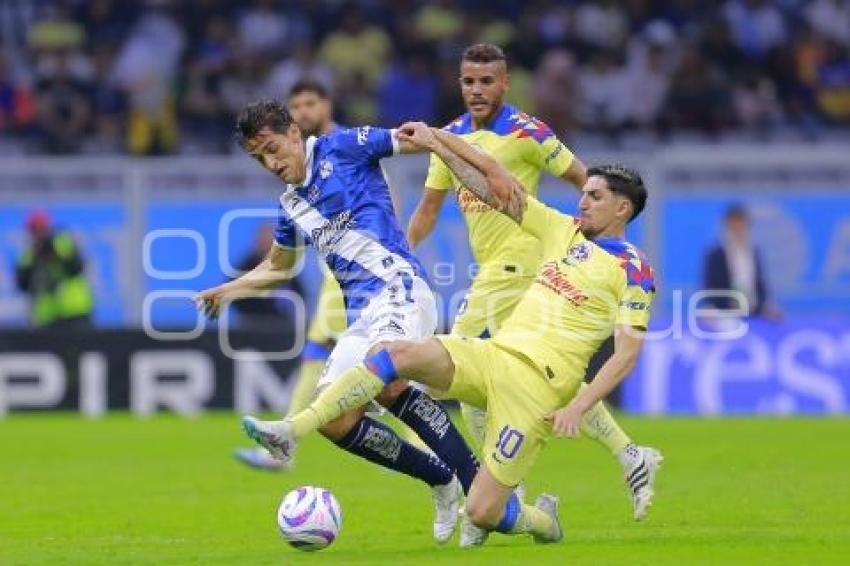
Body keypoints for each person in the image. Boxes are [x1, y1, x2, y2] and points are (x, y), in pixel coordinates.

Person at [243, 123, 657, 546]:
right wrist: (440, 145)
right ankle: (294, 428)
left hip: (538, 389)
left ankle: (542, 521)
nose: (582, 201)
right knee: (396, 354)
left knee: (483, 512)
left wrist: (580, 406)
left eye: (594, 196)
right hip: (494, 355)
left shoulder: (635, 271)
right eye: (583, 193)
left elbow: (625, 354)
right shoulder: (562, 230)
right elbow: (490, 187)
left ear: (622, 209)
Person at [198, 100, 482, 544]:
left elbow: (416, 139)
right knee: (336, 418)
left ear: (294, 133)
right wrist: (227, 290)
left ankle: (478, 488)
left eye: (273, 149)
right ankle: (441, 480)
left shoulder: (343, 147)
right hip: (362, 316)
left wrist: (469, 161)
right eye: (260, 158)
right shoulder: (291, 204)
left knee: (386, 377)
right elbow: (279, 266)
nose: (271, 163)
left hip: (400, 289)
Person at [406, 43, 660, 523]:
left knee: (463, 360)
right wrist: (399, 255)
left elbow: (586, 180)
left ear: (505, 84)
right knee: (534, 379)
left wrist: (587, 244)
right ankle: (627, 455)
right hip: (492, 269)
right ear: (459, 84)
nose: (477, 90)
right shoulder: (450, 140)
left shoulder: (528, 132)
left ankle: (477, 484)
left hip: (525, 263)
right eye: (468, 81)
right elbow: (427, 211)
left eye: (487, 82)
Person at [234, 80, 350, 471]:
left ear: (326, 105)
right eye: (295, 104)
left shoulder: (344, 147)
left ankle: (282, 444)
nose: (302, 110)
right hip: (337, 268)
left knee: (324, 353)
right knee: (331, 355)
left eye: (309, 103)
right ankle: (283, 444)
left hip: (357, 269)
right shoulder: (296, 164)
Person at [15, 210, 94, 328]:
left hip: (75, 311)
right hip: (47, 317)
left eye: (41, 229)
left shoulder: (62, 244)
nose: (38, 234)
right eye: (34, 230)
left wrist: (53, 251)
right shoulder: (28, 255)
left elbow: (76, 267)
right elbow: (22, 284)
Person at [702, 204, 779, 318]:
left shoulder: (754, 252)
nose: (737, 228)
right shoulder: (716, 255)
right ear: (726, 225)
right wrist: (729, 304)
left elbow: (760, 285)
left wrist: (762, 306)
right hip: (724, 314)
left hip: (754, 313)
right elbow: (709, 288)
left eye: (740, 223)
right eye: (733, 224)